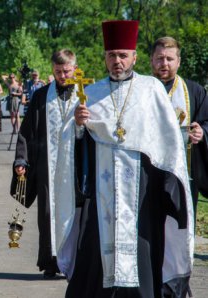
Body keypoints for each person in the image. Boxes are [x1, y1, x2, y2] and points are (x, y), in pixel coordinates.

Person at [70, 20, 193, 297]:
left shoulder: (151, 89)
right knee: (97, 250)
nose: (117, 61)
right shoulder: (91, 93)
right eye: (112, 55)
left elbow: (167, 141)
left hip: (143, 190)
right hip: (102, 191)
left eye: (123, 55)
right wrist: (78, 126)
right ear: (105, 58)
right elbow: (77, 148)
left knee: (143, 245)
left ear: (135, 57)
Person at [11, 49, 79, 279]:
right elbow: (27, 132)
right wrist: (22, 159)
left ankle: (76, 261)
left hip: (77, 168)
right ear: (52, 70)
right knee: (48, 214)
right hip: (47, 167)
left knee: (76, 214)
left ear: (75, 69)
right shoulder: (41, 96)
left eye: (67, 71)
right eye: (58, 71)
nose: (62, 76)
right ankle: (51, 261)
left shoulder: (87, 94)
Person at [150, 36, 208, 221]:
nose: (164, 63)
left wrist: (203, 132)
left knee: (180, 223)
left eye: (169, 59)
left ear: (179, 61)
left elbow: (207, 121)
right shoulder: (142, 89)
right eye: (159, 58)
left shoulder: (194, 91)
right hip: (149, 170)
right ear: (151, 60)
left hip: (185, 170)